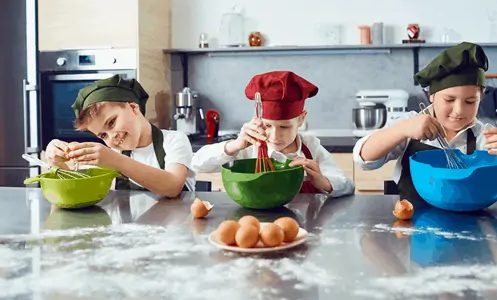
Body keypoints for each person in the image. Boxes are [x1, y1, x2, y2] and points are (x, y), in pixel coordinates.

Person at [352, 42, 497, 201]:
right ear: (432, 95)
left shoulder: (486, 137)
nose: (459, 111)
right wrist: (401, 130)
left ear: (480, 98)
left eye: (470, 101)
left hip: (470, 229)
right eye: (449, 100)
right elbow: (364, 159)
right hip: (410, 225)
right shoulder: (410, 123)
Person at [192, 70, 355, 197]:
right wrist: (234, 146)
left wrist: (323, 182)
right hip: (255, 224)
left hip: (302, 226)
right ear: (257, 119)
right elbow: (197, 164)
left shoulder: (310, 147)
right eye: (267, 125)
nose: (275, 136)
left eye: (284, 127)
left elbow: (348, 186)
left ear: (301, 119)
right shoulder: (248, 146)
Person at [44, 75, 196, 197]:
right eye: (103, 135)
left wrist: (114, 159)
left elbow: (173, 186)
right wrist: (57, 162)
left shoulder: (174, 140)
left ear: (133, 107)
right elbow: (77, 190)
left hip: (175, 230)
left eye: (111, 123)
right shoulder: (113, 153)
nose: (111, 138)